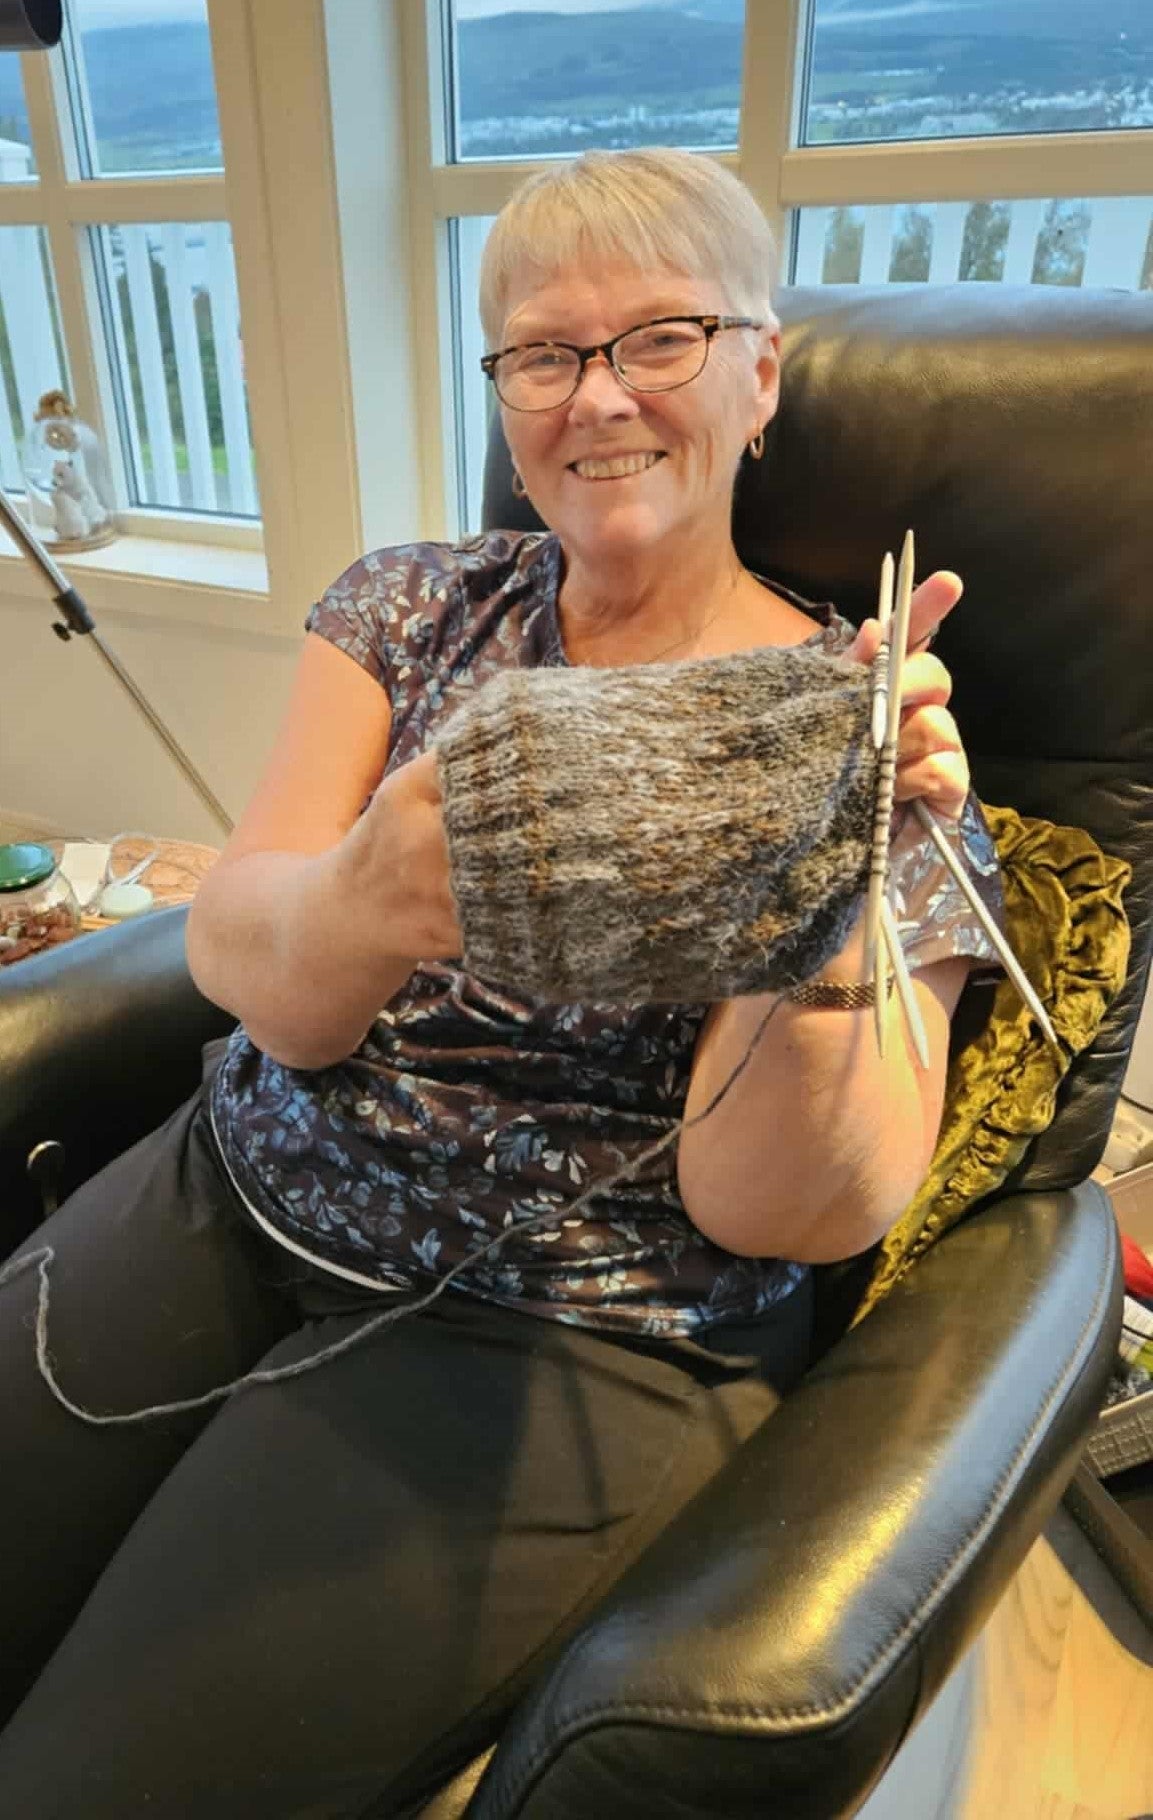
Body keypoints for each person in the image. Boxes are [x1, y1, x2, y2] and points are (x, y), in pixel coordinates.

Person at [0, 148, 1004, 1815]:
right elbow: (260, 974)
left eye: (662, 339)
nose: (597, 396)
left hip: (556, 1327)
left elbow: (784, 1212)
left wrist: (828, 901)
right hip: (247, 1181)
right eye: (544, 353)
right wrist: (372, 896)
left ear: (761, 377)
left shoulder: (853, 721)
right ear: (504, 393)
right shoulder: (415, 605)